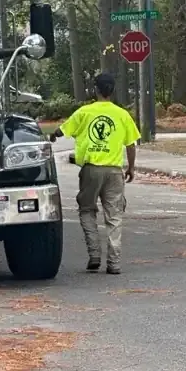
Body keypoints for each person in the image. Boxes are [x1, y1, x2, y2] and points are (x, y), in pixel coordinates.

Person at [50, 73, 140, 274]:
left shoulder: (85, 112)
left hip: (90, 170)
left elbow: (61, 130)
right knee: (114, 215)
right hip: (114, 171)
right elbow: (131, 144)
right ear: (113, 90)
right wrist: (131, 167)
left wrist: (52, 136)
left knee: (87, 210)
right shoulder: (122, 115)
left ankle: (94, 254)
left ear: (95, 90)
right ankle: (114, 262)